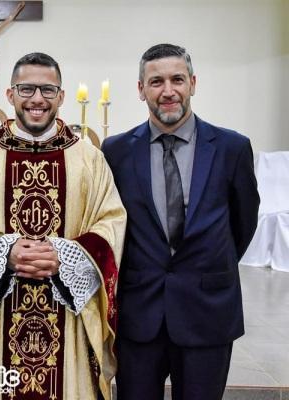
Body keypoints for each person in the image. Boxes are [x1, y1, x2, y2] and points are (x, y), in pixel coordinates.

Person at [0, 52, 126, 400]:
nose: (37, 99)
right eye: (27, 89)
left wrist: (67, 255)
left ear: (61, 96)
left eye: (47, 89)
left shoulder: (88, 158)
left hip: (68, 317)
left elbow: (111, 221)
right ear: (10, 95)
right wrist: (2, 251)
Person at [102, 44, 260, 400]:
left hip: (208, 312)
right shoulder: (115, 151)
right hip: (140, 315)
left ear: (193, 83)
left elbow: (243, 222)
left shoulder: (232, 148)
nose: (168, 90)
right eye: (156, 81)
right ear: (141, 89)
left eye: (177, 79)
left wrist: (206, 268)